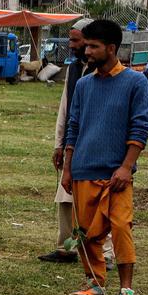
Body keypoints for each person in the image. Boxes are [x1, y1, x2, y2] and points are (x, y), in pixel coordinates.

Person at [61, 19, 148, 295]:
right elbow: (73, 127)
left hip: (117, 175)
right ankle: (95, 284)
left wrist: (127, 167)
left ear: (111, 48)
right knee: (85, 233)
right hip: (83, 170)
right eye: (86, 45)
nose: (87, 51)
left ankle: (127, 294)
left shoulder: (135, 82)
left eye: (93, 46)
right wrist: (68, 169)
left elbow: (141, 128)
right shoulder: (85, 84)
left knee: (122, 228)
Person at [40, 19, 95, 264]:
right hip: (72, 143)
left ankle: (104, 253)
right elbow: (65, 109)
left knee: (98, 199)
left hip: (96, 146)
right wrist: (58, 145)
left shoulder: (104, 72)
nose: (71, 45)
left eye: (75, 40)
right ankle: (66, 248)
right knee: (65, 196)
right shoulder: (73, 69)